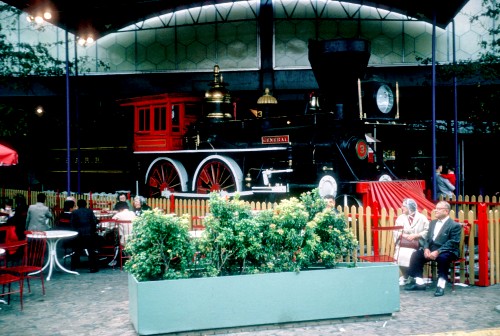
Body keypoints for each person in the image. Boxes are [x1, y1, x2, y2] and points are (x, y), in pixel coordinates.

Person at [404, 201, 462, 297]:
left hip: (448, 250)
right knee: (416, 255)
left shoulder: (454, 225)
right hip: (431, 249)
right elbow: (427, 238)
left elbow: (453, 242)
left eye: (439, 209)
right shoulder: (432, 223)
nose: (436, 210)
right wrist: (426, 248)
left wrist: (438, 251)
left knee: (443, 258)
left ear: (446, 211)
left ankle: (441, 286)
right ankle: (419, 283)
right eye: (436, 208)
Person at [394, 198, 429, 286]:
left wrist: (416, 235)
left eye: (404, 206)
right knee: (399, 254)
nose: (402, 208)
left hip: (417, 244)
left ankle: (409, 276)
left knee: (411, 255)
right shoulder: (400, 218)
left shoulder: (422, 218)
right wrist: (403, 235)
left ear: (410, 208)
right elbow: (396, 231)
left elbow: (427, 231)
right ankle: (405, 276)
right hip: (404, 244)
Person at [70, 199, 100, 273]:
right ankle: (93, 268)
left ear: (77, 205)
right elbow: (94, 221)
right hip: (89, 233)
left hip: (79, 234)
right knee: (91, 251)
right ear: (86, 204)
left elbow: (72, 224)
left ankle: (73, 267)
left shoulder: (75, 212)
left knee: (76, 251)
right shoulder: (90, 211)